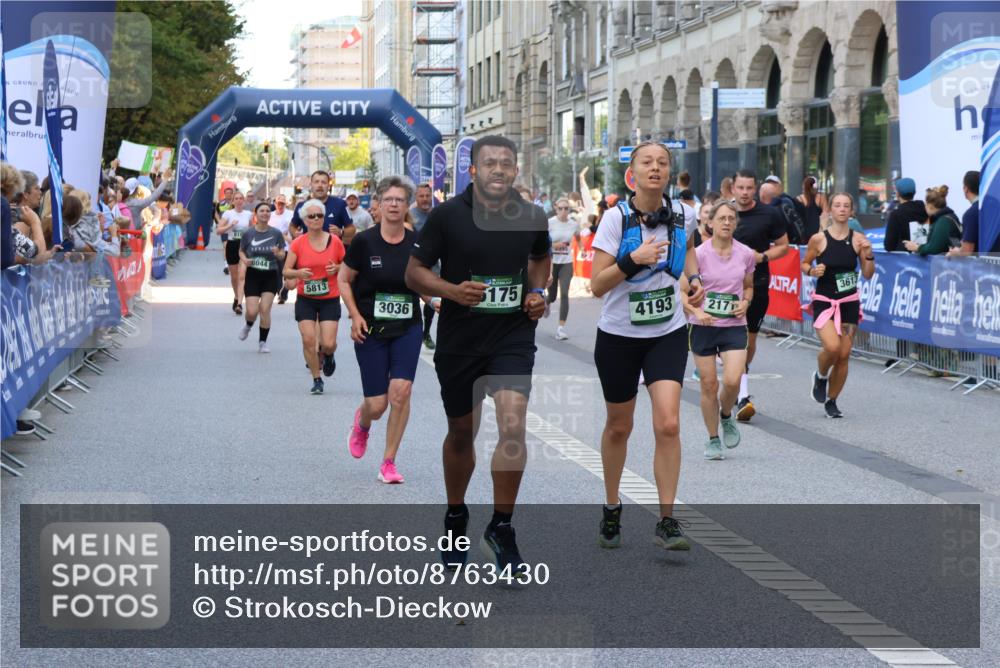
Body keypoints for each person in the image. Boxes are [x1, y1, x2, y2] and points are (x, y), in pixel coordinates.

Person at [405, 135, 550, 575]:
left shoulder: (531, 215)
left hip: (512, 336)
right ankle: (455, 515)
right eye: (490, 163)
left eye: (507, 162)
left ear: (516, 170)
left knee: (512, 425)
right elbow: (414, 273)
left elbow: (540, 259)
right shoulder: (448, 216)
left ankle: (502, 528)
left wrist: (538, 292)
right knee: (462, 434)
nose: (499, 170)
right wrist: (451, 291)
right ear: (472, 170)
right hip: (460, 340)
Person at [588, 140, 704, 552]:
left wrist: (693, 280)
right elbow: (597, 285)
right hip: (619, 335)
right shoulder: (614, 220)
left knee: (668, 423)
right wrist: (632, 259)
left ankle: (667, 519)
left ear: (669, 173)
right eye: (646, 162)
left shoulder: (684, 215)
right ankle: (612, 505)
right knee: (620, 426)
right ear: (631, 174)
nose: (655, 168)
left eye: (662, 163)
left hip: (667, 332)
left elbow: (689, 250)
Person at [339, 176, 428, 484]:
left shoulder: (418, 243)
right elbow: (343, 279)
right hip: (370, 328)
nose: (393, 204)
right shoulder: (365, 241)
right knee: (377, 405)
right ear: (377, 204)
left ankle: (388, 462)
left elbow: (423, 280)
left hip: (407, 328)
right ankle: (363, 423)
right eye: (388, 199)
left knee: (400, 392)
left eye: (399, 200)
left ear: (407, 205)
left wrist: (436, 298)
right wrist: (353, 315)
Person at [682, 200, 755, 459]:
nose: (726, 223)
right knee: (709, 385)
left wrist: (745, 302)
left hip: (733, 325)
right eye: (721, 218)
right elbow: (682, 291)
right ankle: (713, 439)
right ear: (709, 223)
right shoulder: (699, 255)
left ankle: (726, 415)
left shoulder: (745, 253)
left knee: (733, 380)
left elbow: (748, 286)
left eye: (731, 219)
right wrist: (697, 311)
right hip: (703, 326)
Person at [802, 193, 875, 418]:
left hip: (848, 302)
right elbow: (804, 263)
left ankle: (832, 401)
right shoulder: (819, 239)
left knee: (844, 354)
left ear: (851, 210)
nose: (842, 209)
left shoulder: (859, 239)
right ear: (831, 210)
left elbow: (867, 274)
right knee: (832, 348)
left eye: (846, 205)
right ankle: (821, 376)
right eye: (837, 205)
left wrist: (869, 255)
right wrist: (813, 270)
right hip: (825, 301)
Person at [731, 169, 789, 421]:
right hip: (725, 285)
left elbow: (784, 246)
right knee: (734, 336)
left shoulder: (769, 213)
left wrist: (763, 256)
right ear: (732, 188)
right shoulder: (724, 212)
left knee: (748, 338)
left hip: (758, 281)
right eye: (740, 187)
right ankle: (741, 389)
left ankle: (740, 373)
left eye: (748, 188)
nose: (744, 193)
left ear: (755, 189)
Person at [284, 198, 346, 394]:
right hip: (306, 299)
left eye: (320, 215)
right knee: (309, 340)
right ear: (305, 220)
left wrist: (337, 267)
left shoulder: (335, 241)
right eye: (312, 216)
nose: (317, 219)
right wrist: (298, 273)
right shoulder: (298, 243)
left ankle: (328, 355)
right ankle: (316, 379)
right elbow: (286, 271)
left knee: (328, 343)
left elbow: (348, 265)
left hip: (329, 299)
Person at [239, 202, 286, 352]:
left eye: (267, 211)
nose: (265, 213)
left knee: (265, 309)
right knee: (252, 311)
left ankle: (262, 343)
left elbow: (283, 254)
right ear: (256, 214)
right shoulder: (248, 233)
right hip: (253, 275)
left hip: (270, 275)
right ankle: (248, 325)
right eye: (262, 211)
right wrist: (245, 260)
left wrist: (277, 253)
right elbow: (241, 251)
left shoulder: (276, 233)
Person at [545, 197, 579, 340]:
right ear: (555, 208)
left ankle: (560, 329)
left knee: (564, 294)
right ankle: (547, 301)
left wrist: (582, 246)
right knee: (553, 296)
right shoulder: (550, 223)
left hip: (567, 262)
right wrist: (553, 246)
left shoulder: (573, 224)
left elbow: (578, 236)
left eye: (567, 209)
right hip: (553, 263)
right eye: (561, 208)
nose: (564, 211)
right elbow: (542, 242)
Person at [289, 171, 354, 244]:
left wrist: (341, 232)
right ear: (311, 185)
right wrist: (295, 233)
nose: (320, 185)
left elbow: (352, 229)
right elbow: (292, 226)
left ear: (328, 186)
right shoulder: (301, 206)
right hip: (307, 252)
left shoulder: (340, 204)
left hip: (332, 252)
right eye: (316, 182)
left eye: (323, 182)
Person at [217, 191, 252, 314]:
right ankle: (236, 296)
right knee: (234, 277)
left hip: (244, 247)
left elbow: (254, 229)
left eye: (240, 198)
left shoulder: (248, 214)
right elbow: (218, 230)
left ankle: (239, 304)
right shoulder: (228, 214)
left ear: (244, 201)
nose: (238, 200)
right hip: (232, 245)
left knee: (242, 275)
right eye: (236, 198)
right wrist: (229, 226)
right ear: (232, 201)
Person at [904, 185, 961, 256]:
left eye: (925, 204)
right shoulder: (950, 217)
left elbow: (935, 249)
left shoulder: (943, 221)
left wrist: (917, 247)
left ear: (930, 205)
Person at [883, 178, 928, 252]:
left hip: (906, 260)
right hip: (928, 257)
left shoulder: (896, 214)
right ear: (915, 192)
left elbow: (889, 245)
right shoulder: (926, 210)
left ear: (897, 194)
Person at [950, 170, 981, 256]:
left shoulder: (971, 214)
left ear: (966, 189)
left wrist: (955, 252)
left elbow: (967, 251)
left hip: (982, 267)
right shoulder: (994, 207)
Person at [797, 176, 828, 241]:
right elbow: (825, 214)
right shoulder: (821, 198)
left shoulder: (799, 199)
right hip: (817, 230)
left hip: (803, 231)